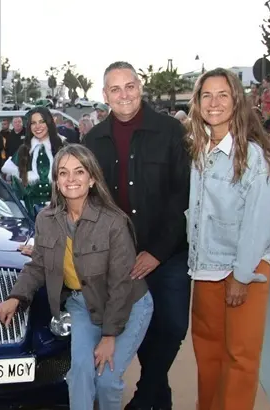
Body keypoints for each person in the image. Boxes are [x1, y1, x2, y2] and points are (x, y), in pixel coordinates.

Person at [0, 144, 152, 410]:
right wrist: (16, 297)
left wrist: (109, 336)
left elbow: (121, 285)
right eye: (63, 173)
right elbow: (38, 265)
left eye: (79, 172)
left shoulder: (114, 222)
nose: (71, 179)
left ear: (92, 178)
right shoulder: (46, 219)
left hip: (127, 305)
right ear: (55, 180)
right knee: (79, 372)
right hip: (82, 305)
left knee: (107, 380)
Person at [84, 61, 190, 410]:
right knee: (141, 333)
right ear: (105, 95)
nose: (124, 95)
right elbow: (90, 201)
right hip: (120, 259)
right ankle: (157, 400)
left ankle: (145, 397)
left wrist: (157, 252)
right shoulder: (93, 140)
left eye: (129, 86)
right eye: (115, 89)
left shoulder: (170, 131)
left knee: (172, 326)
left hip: (168, 252)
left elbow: (182, 195)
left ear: (139, 87)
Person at [186, 68, 270, 410]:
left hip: (245, 270)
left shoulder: (254, 156)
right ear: (197, 103)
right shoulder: (197, 151)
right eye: (206, 95)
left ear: (236, 100)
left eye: (222, 94)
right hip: (205, 268)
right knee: (208, 354)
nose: (214, 103)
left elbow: (257, 224)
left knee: (240, 358)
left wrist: (241, 277)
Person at [1, 106, 65, 217]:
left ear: (49, 123)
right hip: (30, 214)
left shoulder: (62, 148)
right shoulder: (23, 150)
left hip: (60, 213)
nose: (37, 126)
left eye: (42, 122)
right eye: (33, 123)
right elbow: (17, 188)